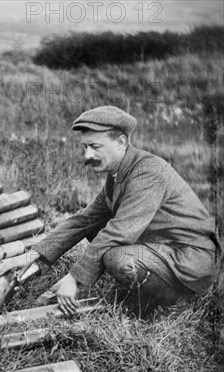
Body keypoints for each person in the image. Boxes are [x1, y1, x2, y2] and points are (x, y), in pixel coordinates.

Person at [17, 105, 220, 318]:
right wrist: (37, 254)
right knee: (95, 230)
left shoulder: (147, 173)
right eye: (85, 147)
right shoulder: (118, 174)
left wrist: (73, 278)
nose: (88, 155)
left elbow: (118, 232)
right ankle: (145, 290)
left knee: (117, 258)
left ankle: (176, 299)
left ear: (121, 142)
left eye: (95, 146)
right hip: (166, 248)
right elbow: (85, 220)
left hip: (190, 258)